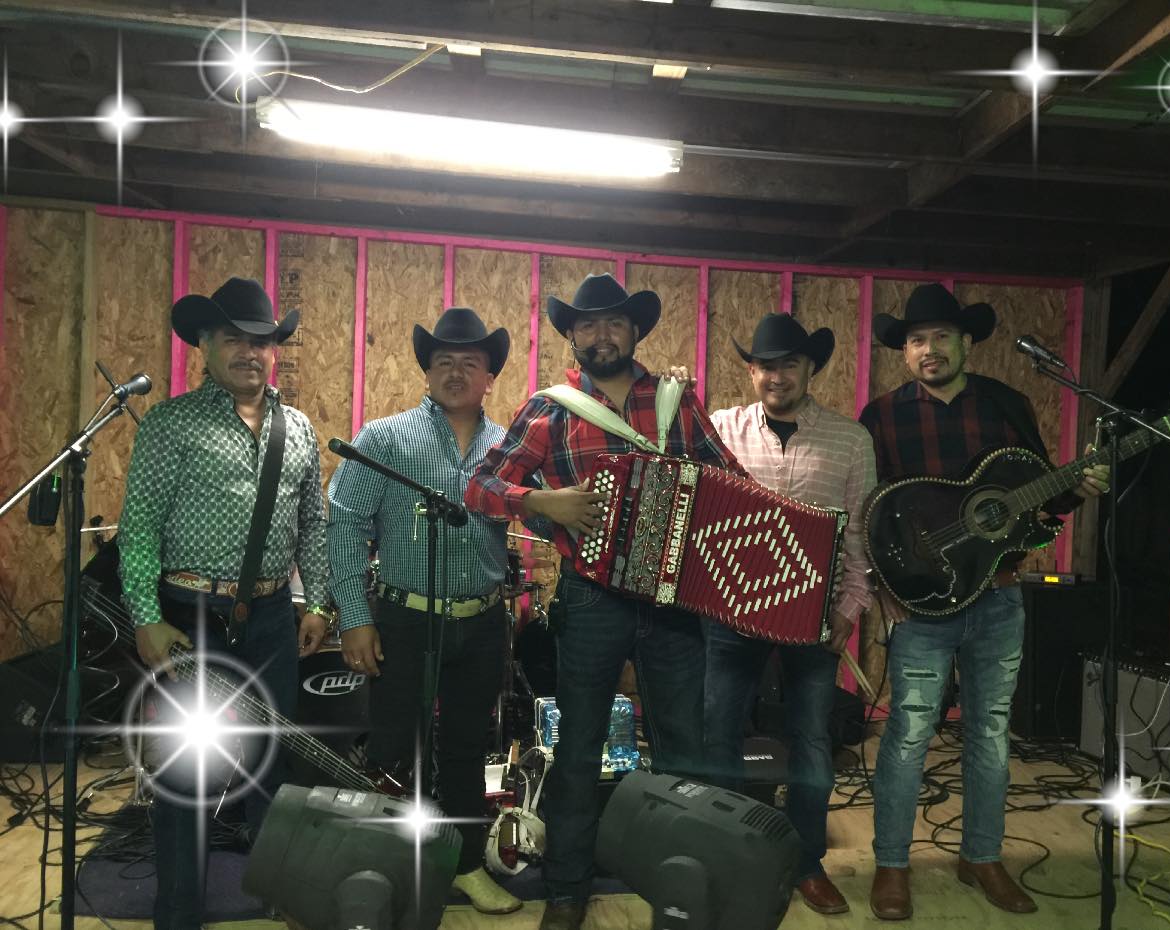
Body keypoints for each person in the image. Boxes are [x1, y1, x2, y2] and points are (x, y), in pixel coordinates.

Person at [464, 272, 746, 930]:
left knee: (683, 748)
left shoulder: (676, 400)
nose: (601, 334)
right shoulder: (552, 408)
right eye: (586, 323)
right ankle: (567, 890)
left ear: (634, 330)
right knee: (580, 746)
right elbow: (479, 485)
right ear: (572, 335)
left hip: (673, 600)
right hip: (592, 599)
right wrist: (543, 502)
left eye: (614, 321)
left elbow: (731, 481)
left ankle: (681, 883)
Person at [858, 283, 1109, 921]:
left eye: (942, 336)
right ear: (904, 351)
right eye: (917, 340)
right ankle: (892, 865)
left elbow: (1036, 502)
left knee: (991, 734)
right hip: (920, 607)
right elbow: (871, 515)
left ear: (966, 342)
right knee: (908, 734)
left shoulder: (1006, 405)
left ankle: (982, 856)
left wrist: (1078, 490)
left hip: (997, 598)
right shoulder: (881, 416)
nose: (929, 349)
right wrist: (884, 592)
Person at [117, 277, 331, 930]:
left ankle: (275, 898)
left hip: (270, 618)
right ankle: (179, 911)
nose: (249, 352)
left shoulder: (299, 429)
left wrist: (318, 604)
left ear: (275, 351)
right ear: (204, 346)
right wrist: (147, 618)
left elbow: (314, 526)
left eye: (261, 341)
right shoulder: (171, 424)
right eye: (234, 338)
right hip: (188, 617)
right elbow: (139, 529)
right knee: (185, 773)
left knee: (272, 766)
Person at [326, 307, 521, 915]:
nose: (456, 372)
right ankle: (385, 870)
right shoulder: (383, 439)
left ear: (490, 376)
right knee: (391, 749)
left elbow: (536, 516)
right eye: (444, 361)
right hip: (403, 620)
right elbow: (345, 525)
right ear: (427, 371)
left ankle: (465, 865)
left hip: (482, 621)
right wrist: (353, 616)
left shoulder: (510, 449)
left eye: (471, 362)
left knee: (466, 750)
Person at [704, 313, 876, 918]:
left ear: (810, 369)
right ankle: (726, 856)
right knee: (718, 734)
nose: (776, 376)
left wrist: (850, 609)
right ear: (751, 370)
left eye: (789, 364)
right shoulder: (719, 427)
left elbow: (861, 536)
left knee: (810, 739)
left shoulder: (851, 440)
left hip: (814, 621)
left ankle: (806, 863)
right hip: (730, 614)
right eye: (765, 365)